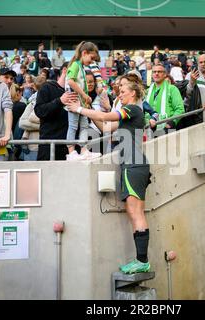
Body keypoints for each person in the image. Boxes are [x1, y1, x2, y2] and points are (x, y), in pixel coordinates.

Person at [67, 78, 151, 274]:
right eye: (119, 90)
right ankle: (141, 260)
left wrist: (79, 109)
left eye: (123, 91)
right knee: (133, 213)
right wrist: (88, 109)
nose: (119, 94)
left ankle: (142, 261)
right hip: (131, 165)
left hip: (134, 164)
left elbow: (104, 117)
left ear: (133, 93)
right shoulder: (127, 115)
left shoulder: (133, 109)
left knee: (136, 213)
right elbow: (104, 127)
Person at [65, 41, 101, 161]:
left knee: (84, 126)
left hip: (81, 103)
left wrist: (86, 97)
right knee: (73, 126)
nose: (92, 61)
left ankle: (84, 150)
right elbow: (70, 81)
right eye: (91, 58)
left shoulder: (82, 67)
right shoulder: (75, 65)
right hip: (74, 101)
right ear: (84, 53)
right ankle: (71, 152)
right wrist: (84, 94)